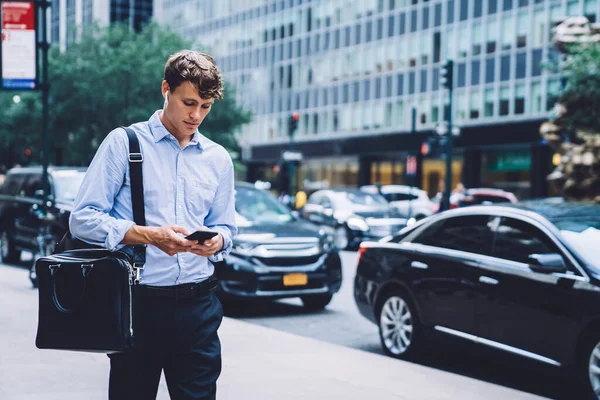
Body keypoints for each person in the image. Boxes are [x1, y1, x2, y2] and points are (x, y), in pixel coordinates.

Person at [69, 50, 237, 400]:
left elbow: (226, 226)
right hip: (138, 307)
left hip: (199, 308)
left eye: (205, 107)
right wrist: (148, 236)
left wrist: (217, 241)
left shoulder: (218, 159)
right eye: (189, 102)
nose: (196, 115)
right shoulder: (124, 144)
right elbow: (82, 217)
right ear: (166, 89)